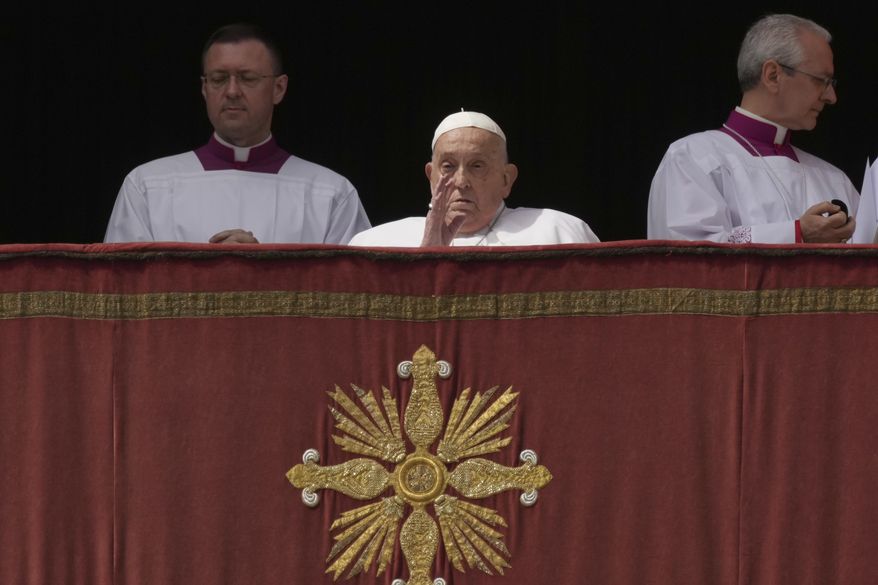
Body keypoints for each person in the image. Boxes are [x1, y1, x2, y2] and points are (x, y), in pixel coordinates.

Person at [104, 23, 369, 244]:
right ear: (204, 89)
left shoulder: (330, 194)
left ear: (279, 88)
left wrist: (256, 271)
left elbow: (355, 297)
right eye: (219, 78)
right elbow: (121, 295)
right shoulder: (147, 187)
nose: (232, 91)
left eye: (247, 78)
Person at [647, 13, 857, 244]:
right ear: (773, 75)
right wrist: (797, 233)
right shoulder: (692, 158)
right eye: (822, 80)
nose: (831, 97)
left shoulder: (834, 179)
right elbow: (691, 258)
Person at [348, 111, 599, 247]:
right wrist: (425, 260)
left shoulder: (559, 234)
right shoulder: (376, 244)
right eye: (448, 166)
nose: (461, 181)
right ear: (430, 177)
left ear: (506, 179)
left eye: (477, 166)